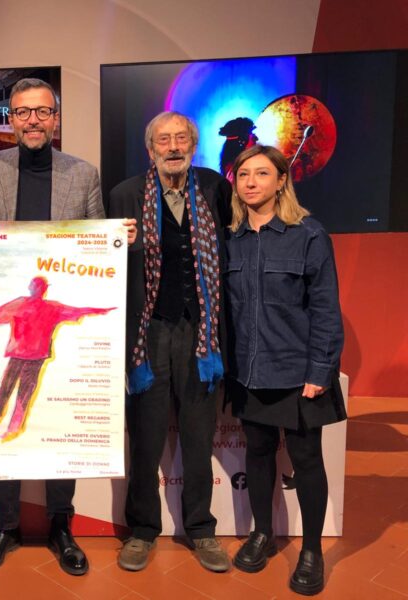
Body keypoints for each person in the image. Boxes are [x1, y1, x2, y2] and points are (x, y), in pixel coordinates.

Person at [0, 77, 124, 577]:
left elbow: (98, 241)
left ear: (56, 118)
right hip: (15, 333)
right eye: (23, 112)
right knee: (6, 433)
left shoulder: (83, 173)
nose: (33, 120)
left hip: (53, 333)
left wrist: (119, 238)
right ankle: (5, 528)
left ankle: (60, 526)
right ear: (11, 119)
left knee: (58, 423)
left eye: (42, 111)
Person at [107, 111, 231, 573]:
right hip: (148, 333)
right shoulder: (124, 195)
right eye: (165, 140)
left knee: (199, 437)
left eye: (182, 139)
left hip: (202, 334)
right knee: (145, 438)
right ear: (150, 149)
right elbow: (106, 262)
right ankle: (142, 530)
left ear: (193, 146)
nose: (173, 147)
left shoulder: (215, 189)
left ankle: (201, 529)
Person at [224, 145, 344, 596]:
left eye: (261, 173)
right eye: (243, 174)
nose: (251, 182)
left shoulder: (309, 234)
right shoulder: (230, 237)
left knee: (307, 460)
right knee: (257, 452)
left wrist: (320, 370)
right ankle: (262, 533)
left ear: (280, 181)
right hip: (248, 371)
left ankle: (311, 551)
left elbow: (325, 309)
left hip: (297, 371)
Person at [0, 276, 114, 442]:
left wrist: (98, 310)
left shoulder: (51, 307)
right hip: (19, 354)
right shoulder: (24, 303)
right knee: (7, 391)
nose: (36, 288)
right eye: (35, 285)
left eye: (38, 286)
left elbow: (79, 311)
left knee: (22, 393)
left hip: (34, 357)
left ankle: (11, 429)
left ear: (42, 289)